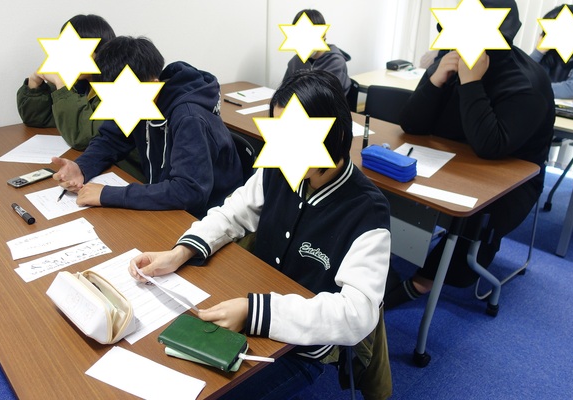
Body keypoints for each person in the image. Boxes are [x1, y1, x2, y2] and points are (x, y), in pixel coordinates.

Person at [129, 71, 392, 400]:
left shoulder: (367, 211)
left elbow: (356, 314)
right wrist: (179, 253)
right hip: (250, 304)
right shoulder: (279, 168)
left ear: (334, 133)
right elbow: (232, 212)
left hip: (299, 348)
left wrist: (255, 312)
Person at [385, 0, 555, 309]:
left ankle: (424, 280)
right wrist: (435, 80)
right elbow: (411, 123)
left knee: (470, 219)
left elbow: (491, 147)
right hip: (449, 161)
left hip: (508, 183)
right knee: (385, 182)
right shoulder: (450, 57)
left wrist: (472, 82)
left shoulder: (528, 84)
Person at [52, 36, 243, 218]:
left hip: (209, 213)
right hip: (166, 200)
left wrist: (107, 194)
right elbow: (111, 140)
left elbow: (189, 192)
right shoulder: (135, 97)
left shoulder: (189, 118)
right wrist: (82, 167)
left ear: (153, 83)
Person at [530, 4, 573, 232]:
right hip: (540, 114)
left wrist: (538, 86)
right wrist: (539, 51)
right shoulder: (547, 53)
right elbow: (522, 74)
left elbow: (572, 88)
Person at [16, 14, 116, 151]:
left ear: (103, 51)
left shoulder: (118, 88)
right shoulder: (77, 81)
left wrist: (62, 87)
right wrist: (35, 81)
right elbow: (38, 118)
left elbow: (84, 139)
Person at [282, 9, 352, 96]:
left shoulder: (335, 62)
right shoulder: (295, 62)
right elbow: (284, 91)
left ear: (323, 35)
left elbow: (325, 97)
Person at [530, 4, 573, 100]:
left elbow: (572, 89)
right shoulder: (549, 52)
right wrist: (538, 51)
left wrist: (531, 88)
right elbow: (521, 76)